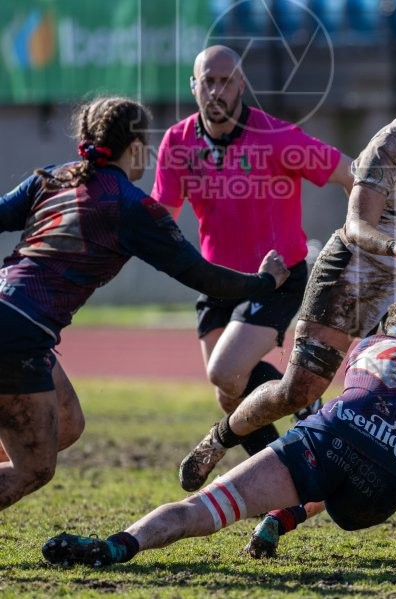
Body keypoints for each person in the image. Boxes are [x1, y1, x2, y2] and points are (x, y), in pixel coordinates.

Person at [176, 56, 396, 549]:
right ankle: (220, 438)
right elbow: (355, 224)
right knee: (300, 389)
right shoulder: (393, 142)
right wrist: (393, 246)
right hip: (360, 264)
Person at [41, 297, 396, 568]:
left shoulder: (365, 348)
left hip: (325, 439)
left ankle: (114, 548)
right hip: (378, 493)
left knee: (202, 510)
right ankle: (294, 519)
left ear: (387, 330)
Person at [0, 96, 290, 513]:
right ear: (136, 147)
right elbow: (203, 276)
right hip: (19, 336)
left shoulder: (51, 178)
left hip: (18, 326)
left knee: (66, 423)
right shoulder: (132, 207)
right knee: (35, 467)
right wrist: (266, 282)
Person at [152, 45, 354, 457]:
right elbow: (161, 215)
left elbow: (351, 172)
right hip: (216, 280)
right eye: (208, 81)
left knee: (226, 370)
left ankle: (301, 400)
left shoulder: (275, 136)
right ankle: (278, 471)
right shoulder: (177, 142)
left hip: (275, 279)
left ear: (241, 84)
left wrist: (355, 240)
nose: (216, 90)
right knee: (228, 394)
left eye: (225, 80)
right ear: (194, 87)